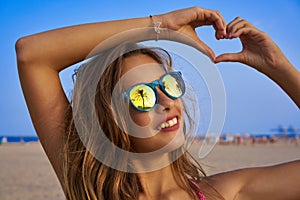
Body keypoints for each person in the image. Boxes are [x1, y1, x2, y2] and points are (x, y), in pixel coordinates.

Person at [16, 6, 300, 200]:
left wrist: (279, 67)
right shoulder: (90, 190)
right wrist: (160, 25)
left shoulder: (221, 192)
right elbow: (31, 55)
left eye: (168, 85)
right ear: (110, 120)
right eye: (143, 95)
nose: (165, 100)